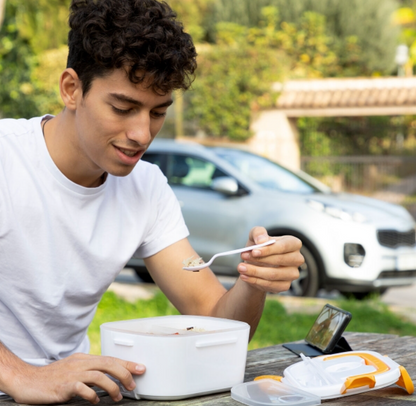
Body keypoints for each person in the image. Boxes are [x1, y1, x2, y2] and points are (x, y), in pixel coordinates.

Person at [0, 0, 303, 404]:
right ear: (72, 89)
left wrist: (253, 280)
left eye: (158, 112)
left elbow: (214, 320)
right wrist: (22, 376)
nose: (142, 134)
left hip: (72, 390)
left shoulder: (146, 187)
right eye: (123, 108)